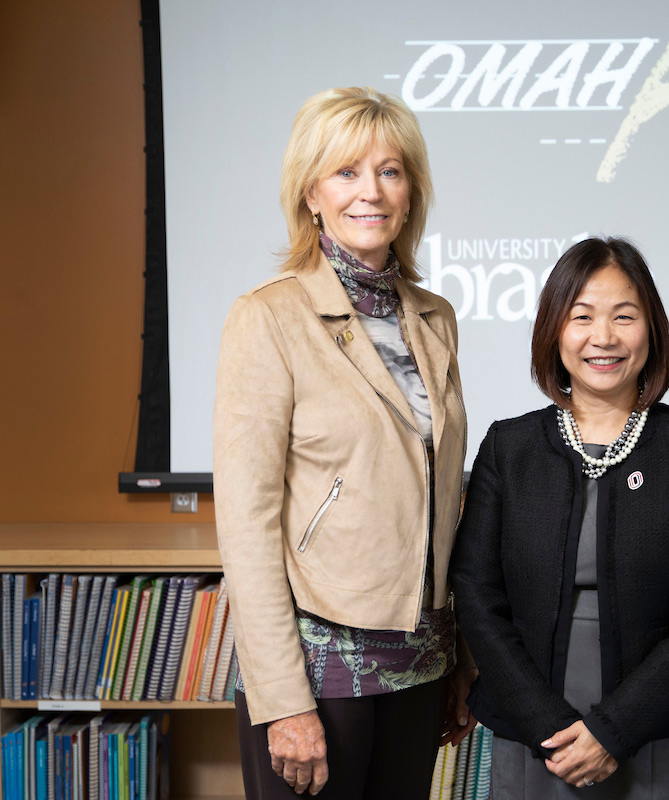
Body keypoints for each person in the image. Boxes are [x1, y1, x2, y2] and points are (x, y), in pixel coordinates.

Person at [213, 87, 474, 799]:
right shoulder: (268, 318)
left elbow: (443, 497)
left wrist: (461, 656)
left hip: (422, 659)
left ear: (411, 191)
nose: (372, 192)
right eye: (347, 173)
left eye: (391, 171)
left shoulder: (435, 317)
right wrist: (282, 700)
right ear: (310, 193)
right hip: (317, 668)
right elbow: (246, 526)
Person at [450, 237, 669, 797]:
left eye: (624, 317)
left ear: (651, 330)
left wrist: (615, 730)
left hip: (658, 719)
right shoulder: (509, 447)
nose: (603, 337)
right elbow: (476, 594)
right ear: (553, 331)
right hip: (533, 721)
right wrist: (548, 727)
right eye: (581, 316)